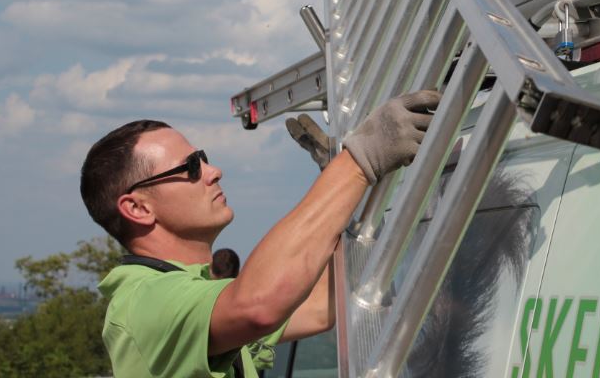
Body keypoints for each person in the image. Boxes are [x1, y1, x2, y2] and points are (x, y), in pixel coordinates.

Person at [80, 90, 440, 377]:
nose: (213, 171)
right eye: (190, 167)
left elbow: (321, 306)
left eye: (203, 158)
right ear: (138, 208)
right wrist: (359, 161)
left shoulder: (199, 294)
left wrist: (341, 191)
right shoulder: (144, 300)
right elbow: (257, 305)